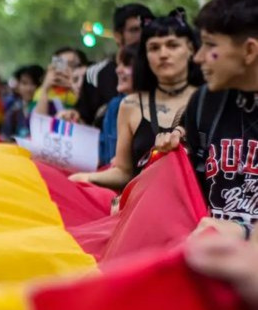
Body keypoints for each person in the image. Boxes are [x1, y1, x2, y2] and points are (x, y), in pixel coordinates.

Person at [156, 0, 258, 239]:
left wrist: (244, 232)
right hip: (212, 262)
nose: (199, 57)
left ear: (250, 51)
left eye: (210, 46)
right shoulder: (204, 102)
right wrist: (172, 152)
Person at [70, 9, 203, 190]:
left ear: (191, 49)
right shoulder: (130, 105)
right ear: (145, 56)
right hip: (145, 210)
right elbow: (124, 172)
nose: (163, 54)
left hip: (201, 211)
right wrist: (86, 178)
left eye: (172, 45)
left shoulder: (210, 100)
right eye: (154, 47)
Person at [65, 3, 155, 126]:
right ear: (118, 36)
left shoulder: (159, 69)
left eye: (147, 28)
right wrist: (73, 116)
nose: (142, 35)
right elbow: (84, 117)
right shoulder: (94, 74)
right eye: (134, 30)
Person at [99, 43, 138, 166]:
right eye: (118, 64)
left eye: (126, 64)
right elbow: (103, 156)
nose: (118, 70)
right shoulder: (115, 105)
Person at [31, 47, 86, 117]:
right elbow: (39, 121)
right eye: (61, 63)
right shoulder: (42, 92)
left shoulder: (85, 90)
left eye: (72, 65)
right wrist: (45, 88)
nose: (67, 69)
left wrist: (74, 86)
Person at [2, 64, 44, 140]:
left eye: (33, 84)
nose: (29, 88)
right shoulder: (13, 110)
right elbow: (6, 137)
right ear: (18, 86)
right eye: (24, 83)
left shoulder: (48, 108)